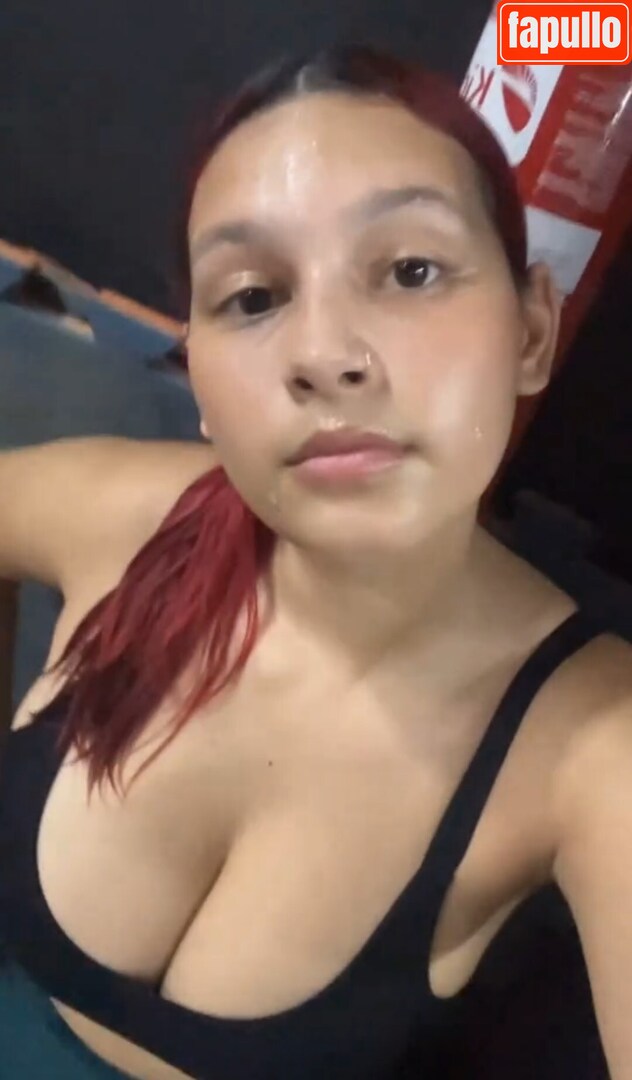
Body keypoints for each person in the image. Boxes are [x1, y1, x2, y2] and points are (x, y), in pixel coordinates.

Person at [0, 43, 630, 1080]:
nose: (326, 354)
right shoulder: (120, 516)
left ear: (530, 331)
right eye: (253, 297)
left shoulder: (591, 746)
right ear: (200, 374)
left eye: (411, 271)